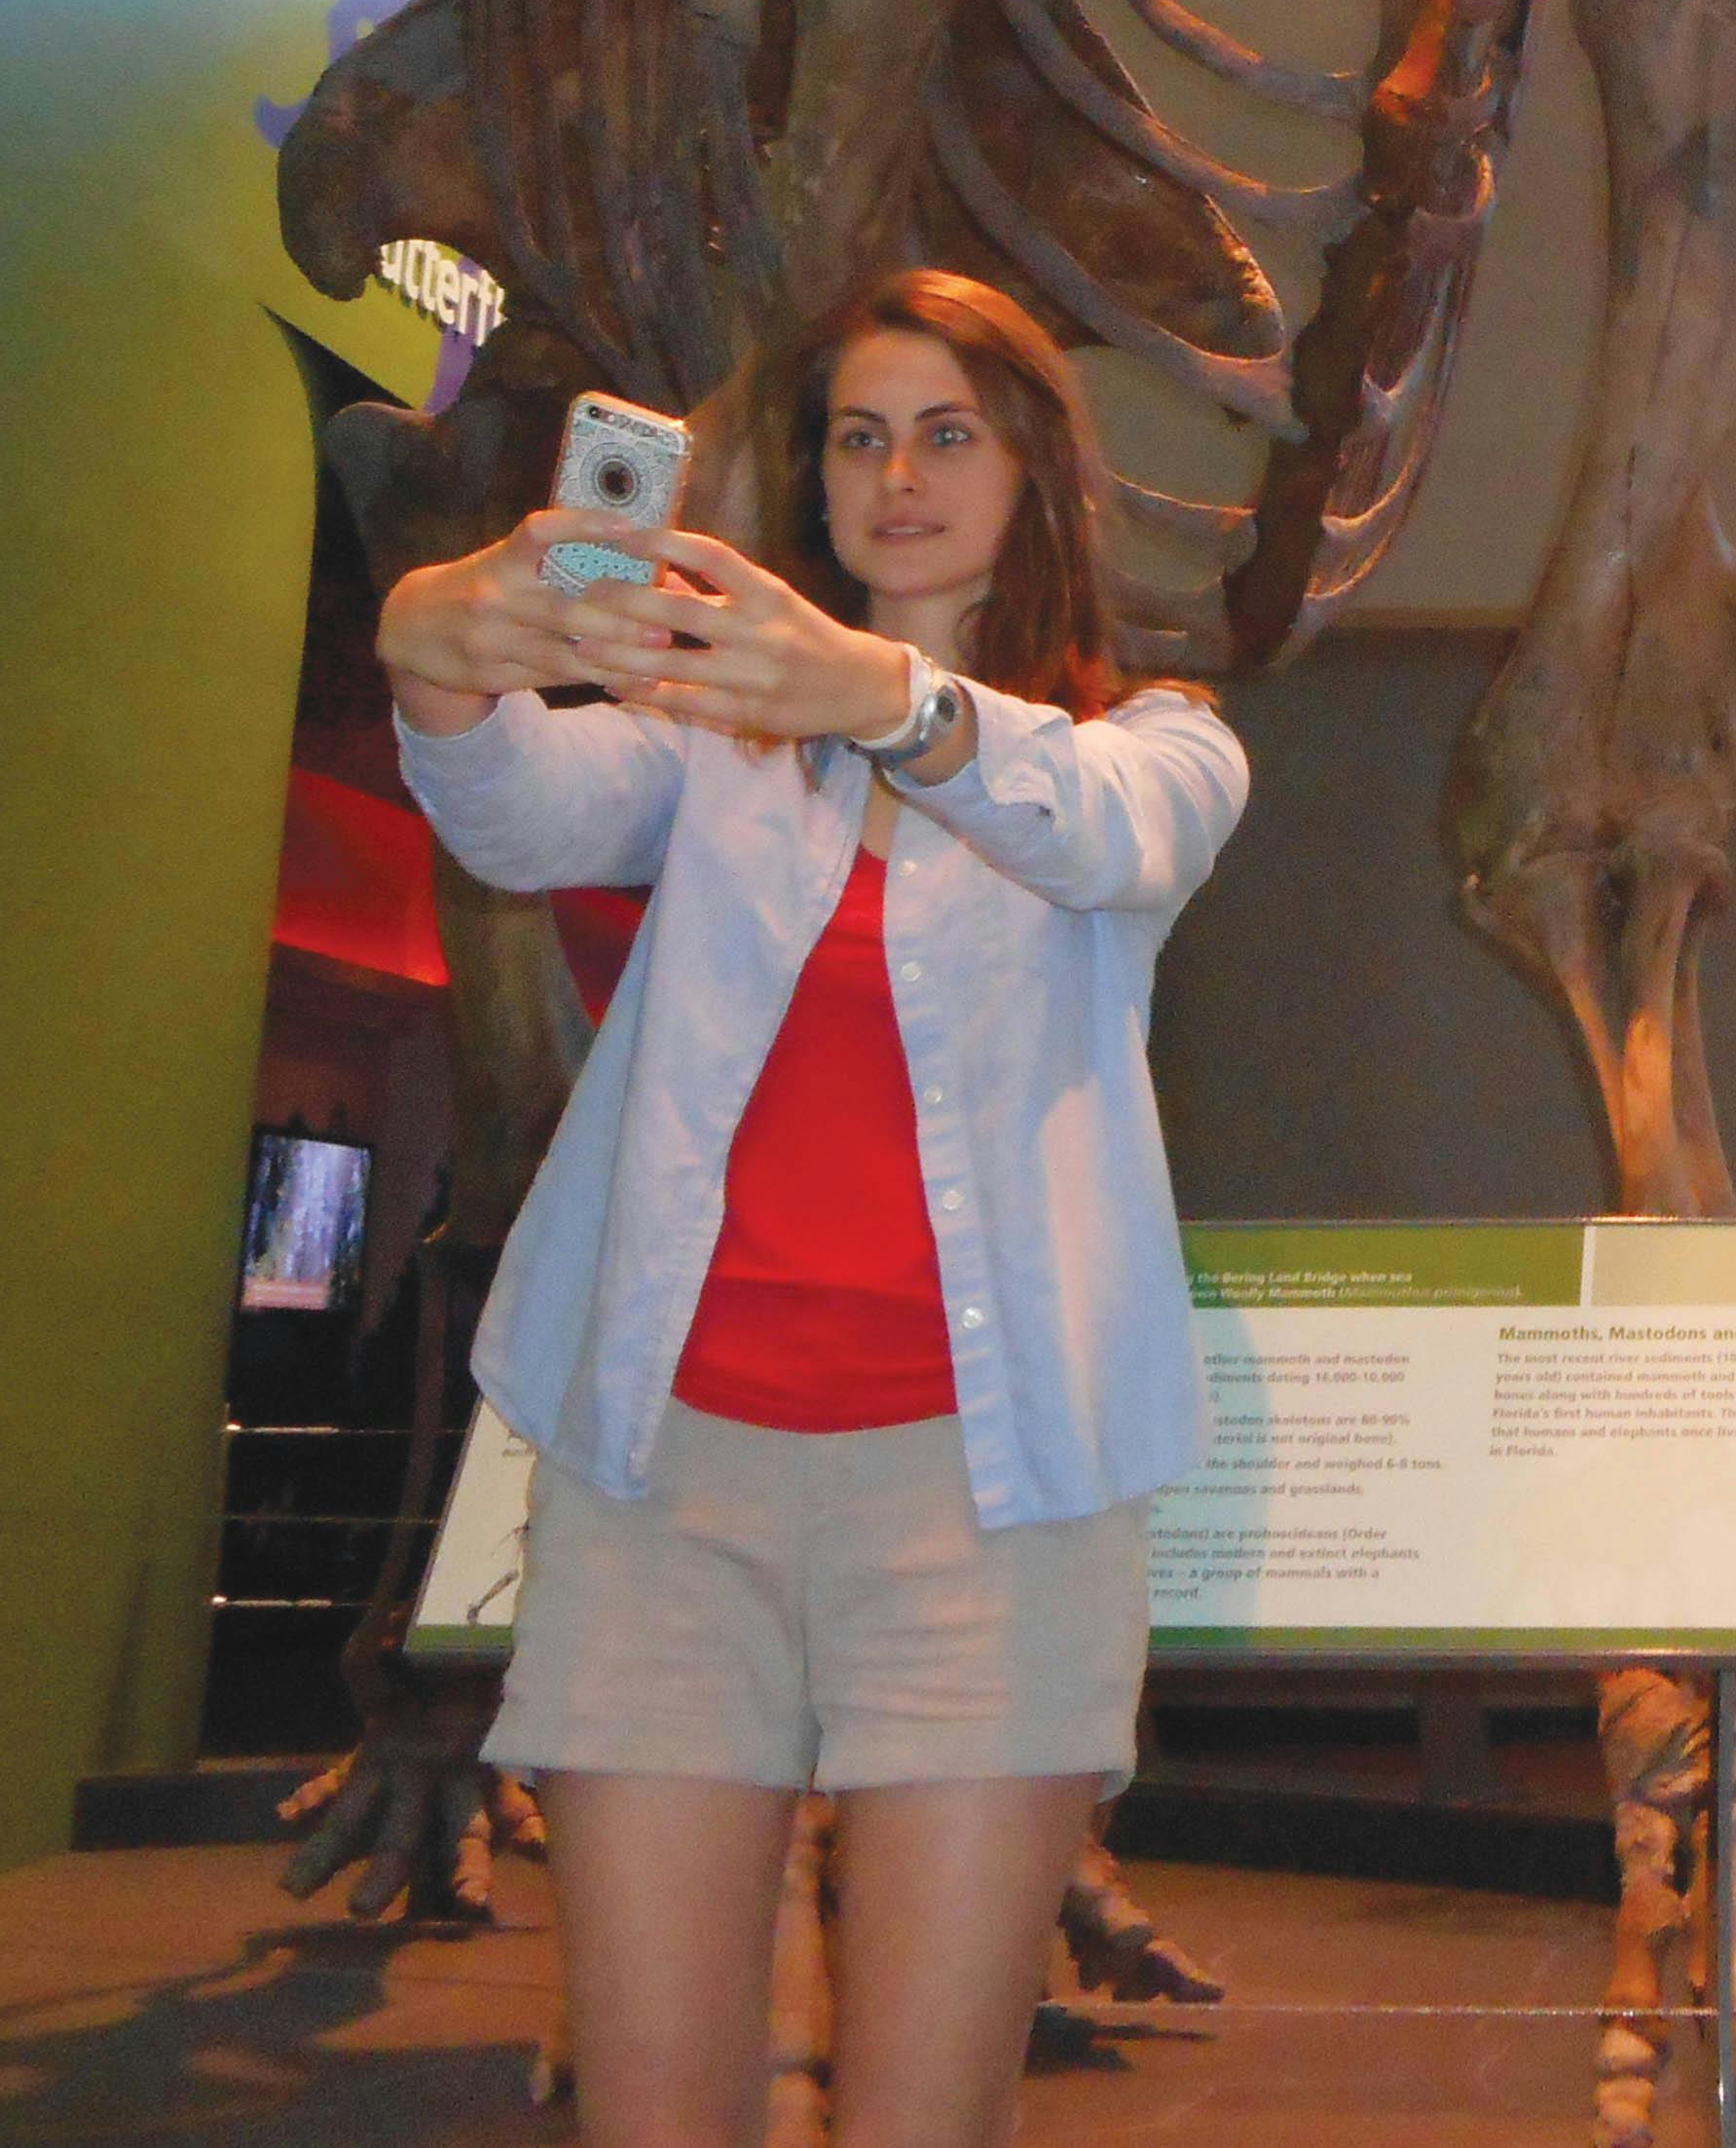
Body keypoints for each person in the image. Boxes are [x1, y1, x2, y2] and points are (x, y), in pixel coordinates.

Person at [378, 267, 1245, 2148]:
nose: (897, 476)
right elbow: (516, 815)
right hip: (665, 1490)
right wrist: (440, 640)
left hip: (986, 1511)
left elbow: (1104, 832)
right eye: (860, 435)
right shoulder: (720, 747)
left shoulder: (1152, 742)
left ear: (1036, 472)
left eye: (948, 432)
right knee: (654, 2115)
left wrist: (879, 694)